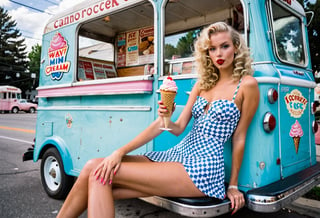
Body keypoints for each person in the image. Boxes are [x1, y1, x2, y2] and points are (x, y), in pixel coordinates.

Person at [57, 21, 259, 218]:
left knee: (98, 173)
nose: (219, 54)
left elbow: (239, 137)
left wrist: (233, 186)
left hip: (204, 168)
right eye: (212, 49)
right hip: (179, 153)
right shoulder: (202, 84)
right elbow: (178, 127)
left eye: (225, 46)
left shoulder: (247, 85)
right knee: (95, 168)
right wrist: (164, 120)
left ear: (236, 48)